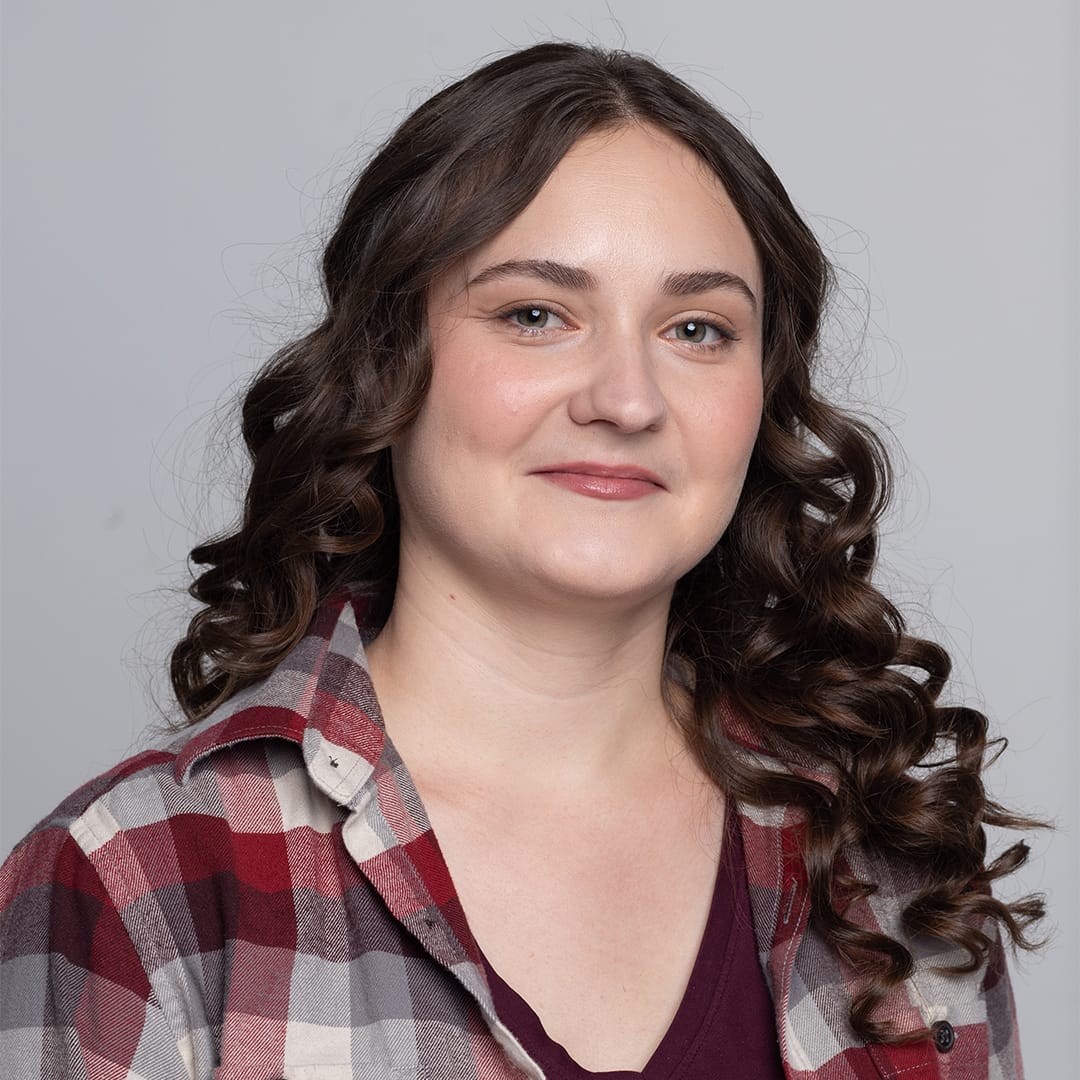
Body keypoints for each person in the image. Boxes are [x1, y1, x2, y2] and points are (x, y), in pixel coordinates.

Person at [0, 42, 1043, 1080]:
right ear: (384, 363)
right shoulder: (140, 881)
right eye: (535, 315)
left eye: (697, 328)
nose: (627, 399)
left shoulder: (891, 869)